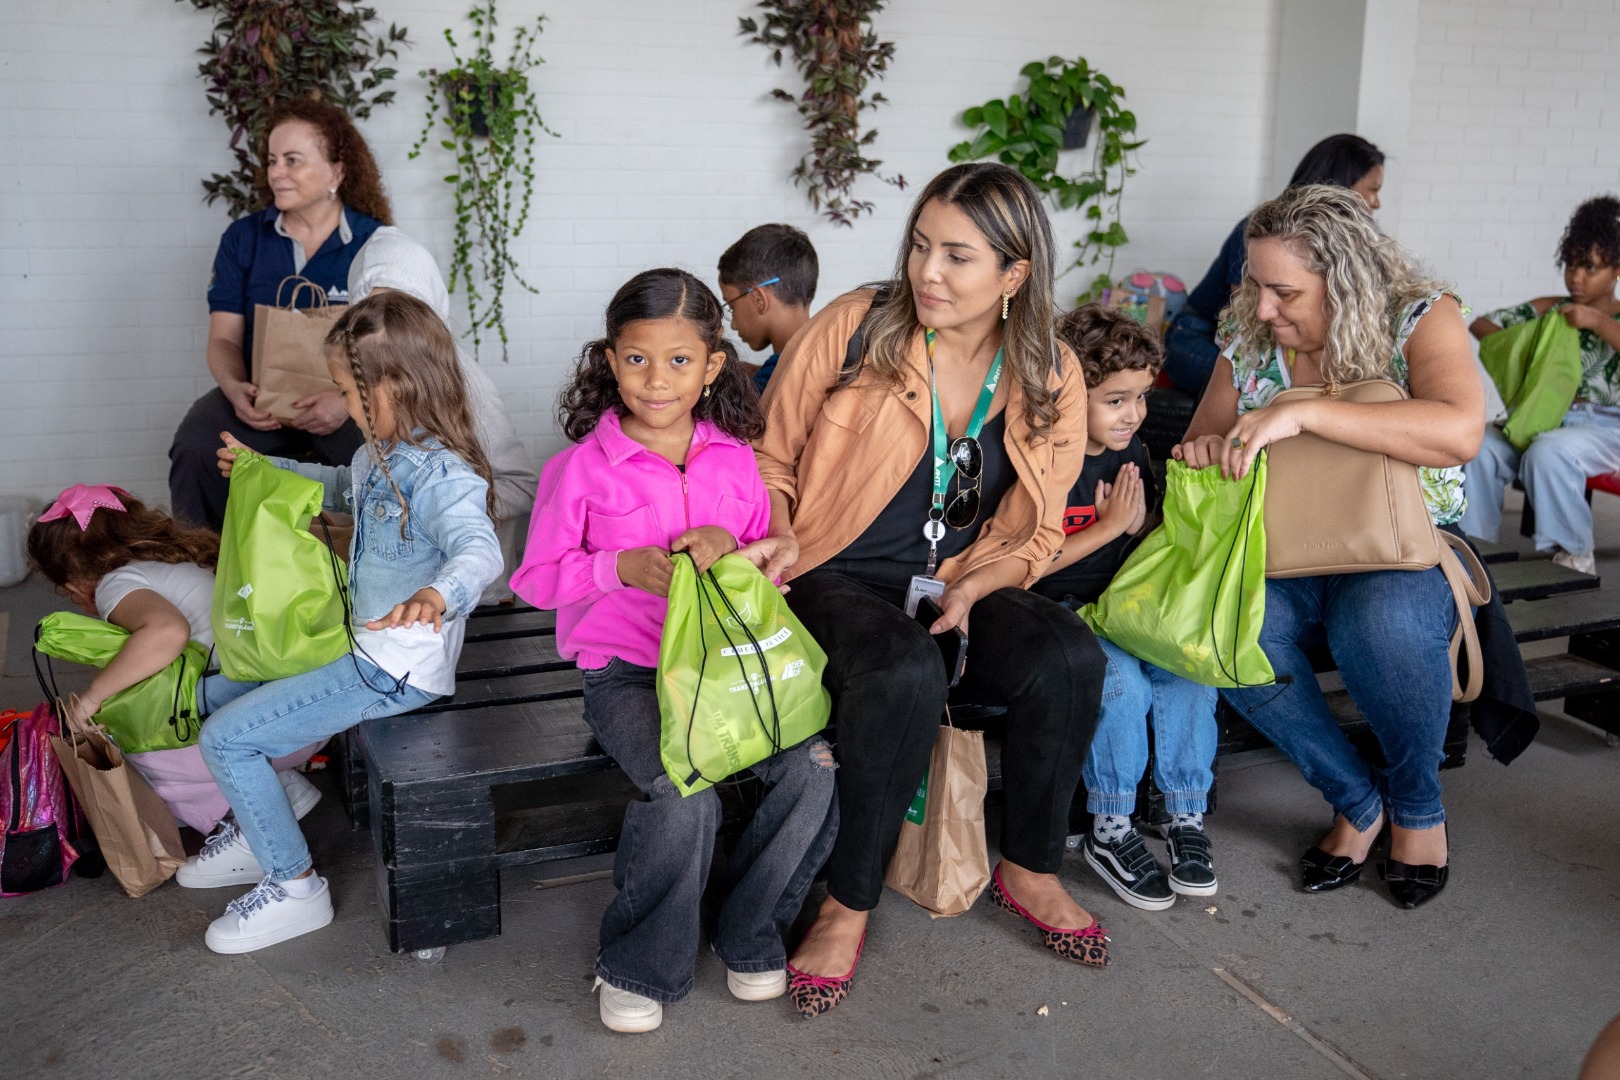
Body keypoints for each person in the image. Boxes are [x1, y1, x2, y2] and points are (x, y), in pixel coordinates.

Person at [753, 162, 1108, 1019]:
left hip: (956, 578)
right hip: (831, 571)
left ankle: (1026, 865)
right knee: (903, 670)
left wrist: (980, 583)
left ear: (1014, 275)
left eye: (958, 256)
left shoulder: (1051, 371)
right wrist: (783, 532)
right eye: (920, 246)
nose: (928, 273)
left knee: (1067, 655)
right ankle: (849, 900)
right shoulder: (854, 328)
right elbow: (769, 459)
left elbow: (1040, 527)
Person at [509, 269, 837, 1033]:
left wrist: (741, 546)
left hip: (730, 668)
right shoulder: (579, 471)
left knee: (812, 768)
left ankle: (748, 927)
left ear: (713, 364)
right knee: (681, 787)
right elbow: (532, 579)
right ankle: (638, 962)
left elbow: (764, 561)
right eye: (637, 360)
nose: (657, 380)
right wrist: (616, 567)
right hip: (628, 675)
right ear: (610, 359)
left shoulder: (735, 460)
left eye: (679, 361)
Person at [1176, 184, 1484, 909]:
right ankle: (1356, 799)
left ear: (1342, 280)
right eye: (1255, 285)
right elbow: (1197, 440)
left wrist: (1307, 414)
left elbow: (1457, 431)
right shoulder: (1249, 336)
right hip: (1281, 548)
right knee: (1230, 631)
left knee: (1380, 624)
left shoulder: (1416, 315)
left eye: (1284, 290)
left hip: (1399, 547)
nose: (1263, 308)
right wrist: (1211, 450)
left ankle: (1416, 805)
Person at [182, 290, 503, 953]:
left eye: (349, 393)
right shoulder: (375, 454)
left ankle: (293, 884)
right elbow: (336, 488)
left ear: (397, 386)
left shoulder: (443, 474)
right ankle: (262, 817)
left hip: (390, 670)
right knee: (212, 692)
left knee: (226, 738)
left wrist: (437, 597)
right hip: (355, 648)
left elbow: (480, 550)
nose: (343, 407)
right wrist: (264, 467)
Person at [1033, 306, 1220, 911]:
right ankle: (1109, 827)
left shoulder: (1132, 452)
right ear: (1066, 393)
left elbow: (1137, 549)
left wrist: (1145, 530)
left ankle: (1184, 811)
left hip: (1119, 602)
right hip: (1054, 608)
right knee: (1122, 687)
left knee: (1188, 673)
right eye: (1115, 400)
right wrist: (1109, 527)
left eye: (1140, 397)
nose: (1134, 415)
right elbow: (1023, 560)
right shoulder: (1042, 459)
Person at [25, 487, 321, 835]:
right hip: (304, 715)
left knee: (137, 757)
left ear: (71, 586)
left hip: (262, 733)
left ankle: (249, 828)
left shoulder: (116, 583)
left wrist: (91, 699)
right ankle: (279, 787)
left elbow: (166, 632)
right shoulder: (176, 559)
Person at [168, 99, 392, 530]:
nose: (276, 173)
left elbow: (390, 350)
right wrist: (235, 389)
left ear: (337, 172)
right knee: (198, 442)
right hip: (260, 400)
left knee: (385, 456)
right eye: (272, 160)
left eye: (293, 160)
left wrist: (346, 403)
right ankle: (204, 564)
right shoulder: (243, 238)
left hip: (345, 402)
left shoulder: (375, 243)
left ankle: (361, 570)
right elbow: (224, 339)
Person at [347, 226, 539, 600]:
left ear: (430, 310)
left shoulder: (465, 383)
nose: (389, 328)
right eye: (372, 311)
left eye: (402, 311)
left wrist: (443, 505)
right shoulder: (372, 381)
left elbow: (522, 485)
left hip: (478, 599)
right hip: (409, 597)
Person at [1461, 195, 1620, 574]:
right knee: (1478, 447)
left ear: (1617, 269)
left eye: (1590, 267)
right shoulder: (1552, 308)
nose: (1576, 277)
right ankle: (1475, 555)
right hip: (1541, 417)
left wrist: (1597, 323)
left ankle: (1575, 557)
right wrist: (1530, 343)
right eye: (1570, 265)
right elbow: (1480, 325)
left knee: (1549, 452)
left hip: (1605, 428)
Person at [1163, 134, 1386, 395]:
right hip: (1194, 336)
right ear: (1342, 185)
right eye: (1372, 189)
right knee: (1264, 388)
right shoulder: (1265, 236)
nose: (1376, 203)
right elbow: (1244, 324)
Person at [717, 224, 819, 394]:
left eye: (732, 306)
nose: (733, 325)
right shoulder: (828, 355)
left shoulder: (771, 380)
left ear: (759, 300)